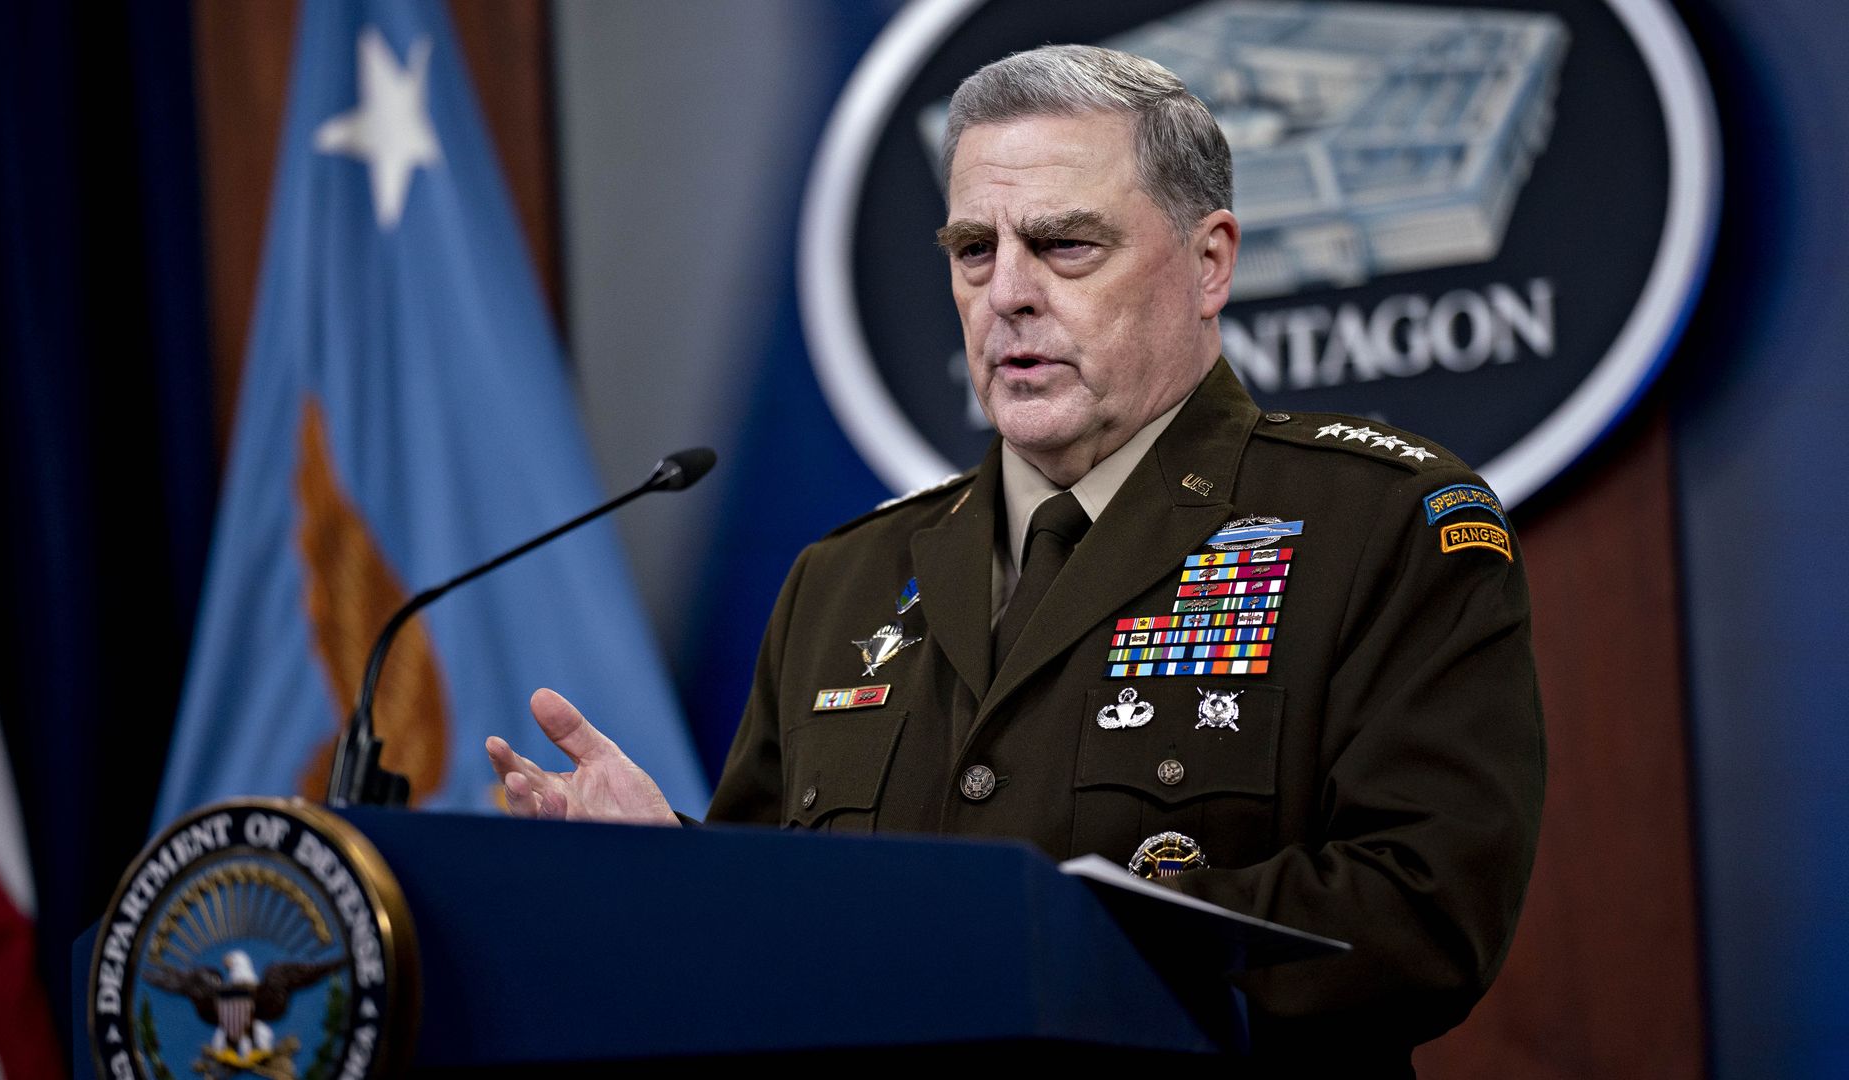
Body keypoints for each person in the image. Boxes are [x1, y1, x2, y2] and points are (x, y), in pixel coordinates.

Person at [486, 44, 1543, 1070]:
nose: (1008, 295)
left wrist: (1046, 938)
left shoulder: (1378, 526)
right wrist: (671, 872)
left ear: (1208, 262)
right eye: (973, 250)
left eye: (1065, 245)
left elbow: (1424, 917)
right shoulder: (844, 577)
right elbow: (781, 937)